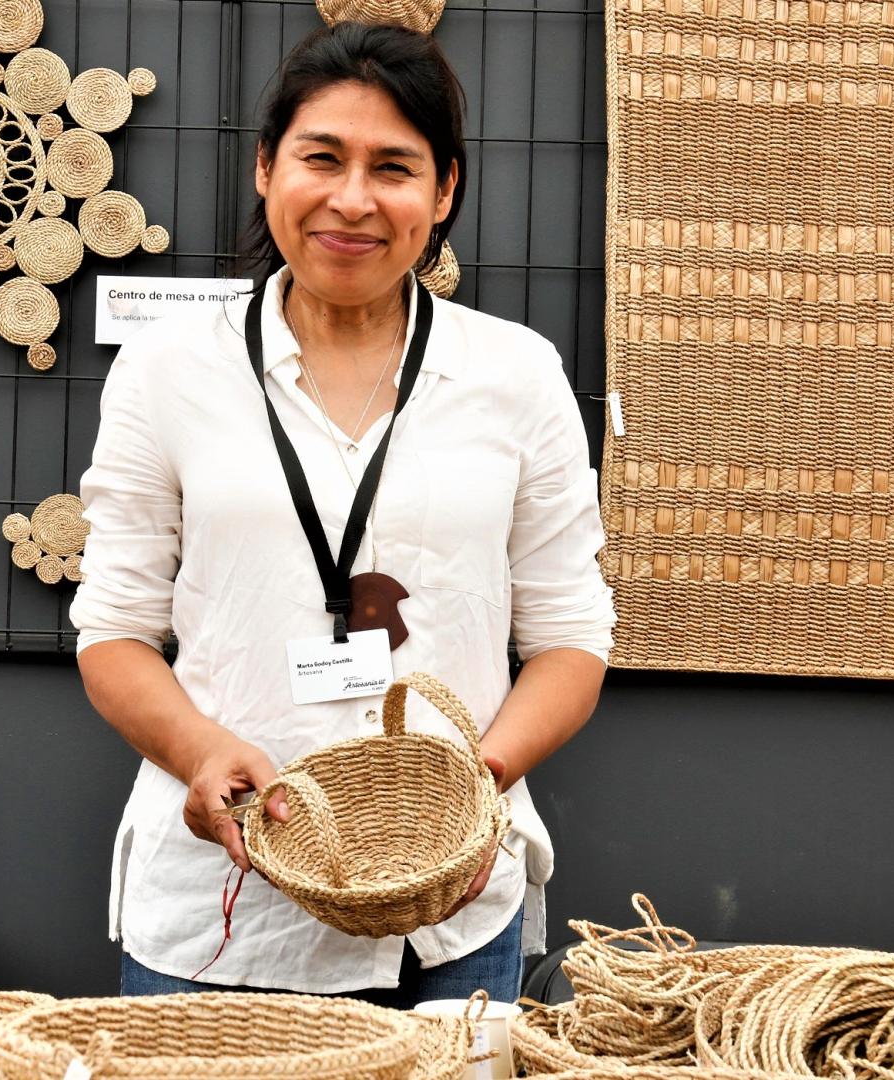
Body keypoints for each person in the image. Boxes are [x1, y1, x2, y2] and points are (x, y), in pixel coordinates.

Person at [70, 20, 614, 1007]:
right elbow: (112, 632)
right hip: (218, 924)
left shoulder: (515, 374)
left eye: (395, 168)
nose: (354, 199)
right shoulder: (169, 371)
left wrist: (468, 786)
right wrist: (199, 755)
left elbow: (572, 639)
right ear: (267, 167)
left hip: (448, 926)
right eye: (322, 158)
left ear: (444, 191)